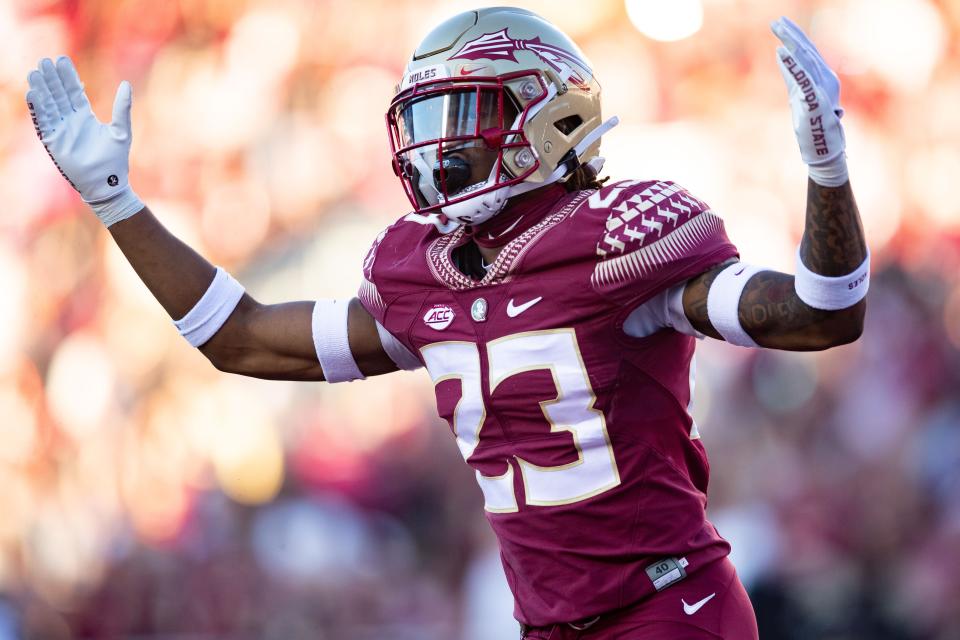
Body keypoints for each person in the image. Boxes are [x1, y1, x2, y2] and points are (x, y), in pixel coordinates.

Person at [25, 7, 868, 639]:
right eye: (425, 122)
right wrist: (117, 202)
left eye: (463, 115)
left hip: (668, 609)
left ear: (549, 117)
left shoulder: (620, 238)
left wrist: (825, 166)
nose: (434, 149)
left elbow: (821, 314)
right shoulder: (423, 272)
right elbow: (237, 337)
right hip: (545, 624)